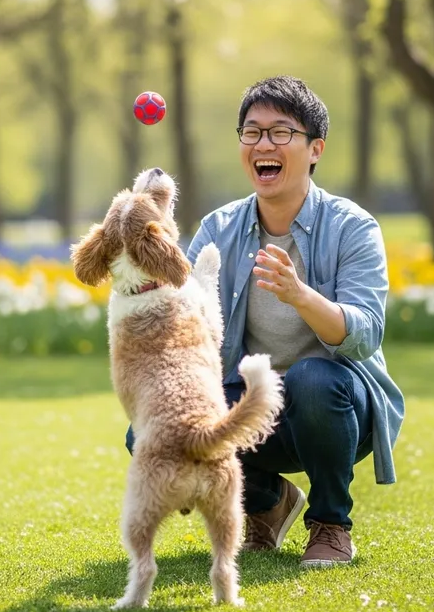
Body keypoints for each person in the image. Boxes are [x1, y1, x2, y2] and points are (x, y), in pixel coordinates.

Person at [127, 75, 404, 568]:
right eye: (251, 133)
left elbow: (363, 334)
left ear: (315, 148)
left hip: (337, 409)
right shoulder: (218, 228)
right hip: (254, 407)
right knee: (153, 429)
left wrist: (300, 295)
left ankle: (330, 524)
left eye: (280, 133)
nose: (263, 145)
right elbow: (187, 328)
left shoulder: (353, 227)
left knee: (314, 379)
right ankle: (267, 502)